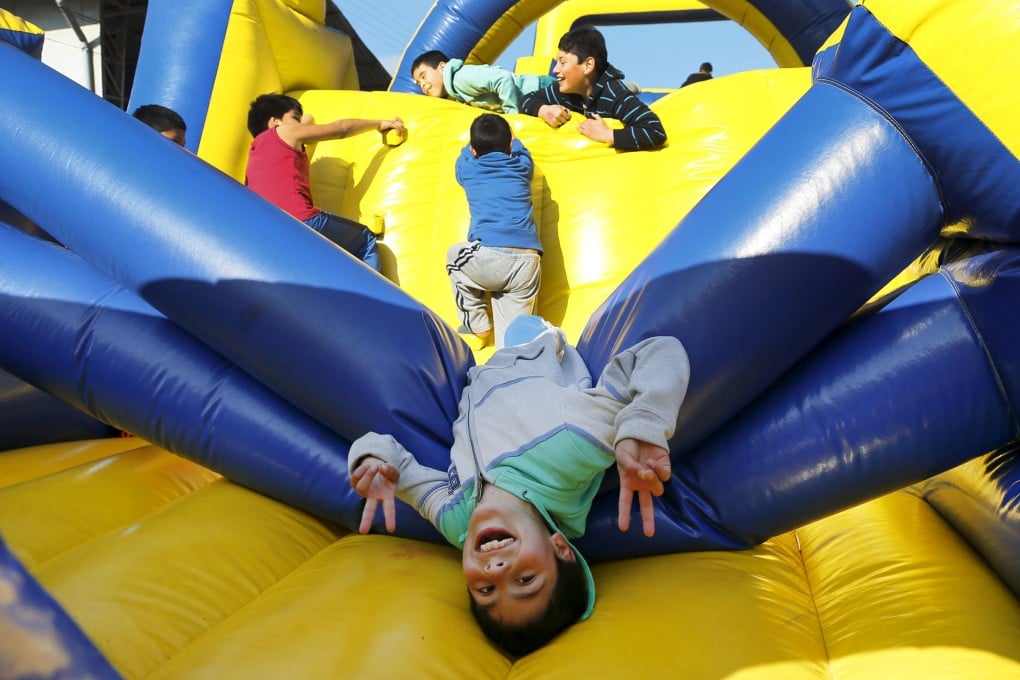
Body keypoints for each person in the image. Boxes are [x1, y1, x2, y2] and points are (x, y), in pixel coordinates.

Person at [349, 314, 690, 657]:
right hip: (528, 348)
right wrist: (642, 425)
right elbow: (659, 351)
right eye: (526, 580)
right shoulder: (572, 445)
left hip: (468, 381)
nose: (496, 570)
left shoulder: (458, 524)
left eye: (484, 589)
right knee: (515, 320)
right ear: (560, 547)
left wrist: (373, 462)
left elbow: (395, 461)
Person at [244, 93, 406, 272]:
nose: (299, 123)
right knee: (365, 241)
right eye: (294, 118)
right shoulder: (285, 131)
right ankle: (379, 298)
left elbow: (308, 119)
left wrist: (297, 118)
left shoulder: (255, 153)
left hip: (269, 234)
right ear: (274, 122)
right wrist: (379, 123)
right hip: (301, 219)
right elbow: (341, 128)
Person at [448, 113, 542, 350]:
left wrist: (470, 145)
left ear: (474, 150)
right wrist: (513, 139)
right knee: (510, 345)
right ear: (510, 144)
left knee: (455, 257)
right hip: (529, 264)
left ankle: (478, 324)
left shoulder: (468, 170)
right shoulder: (522, 167)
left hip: (493, 258)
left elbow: (463, 157)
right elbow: (521, 150)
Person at [520, 26, 666, 151]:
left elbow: (655, 131)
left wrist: (607, 134)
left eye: (563, 62)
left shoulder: (613, 95)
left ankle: (633, 87)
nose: (555, 70)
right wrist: (544, 110)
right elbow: (526, 99)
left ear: (588, 65)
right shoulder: (562, 92)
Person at [411, 50, 557, 114]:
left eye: (423, 76)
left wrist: (513, 116)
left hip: (541, 90)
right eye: (418, 83)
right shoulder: (455, 94)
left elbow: (502, 79)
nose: (423, 85)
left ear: (442, 66)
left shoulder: (460, 78)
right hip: (534, 99)